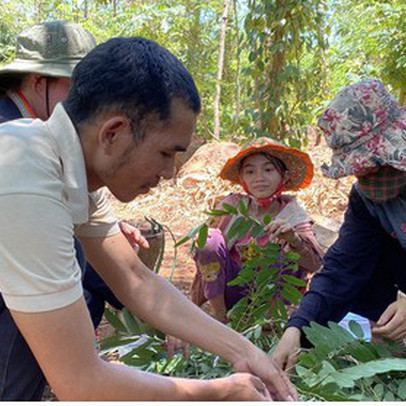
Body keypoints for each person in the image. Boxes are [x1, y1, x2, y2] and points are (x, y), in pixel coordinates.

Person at [0, 36, 298, 401]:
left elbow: (136, 279)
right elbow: (80, 382)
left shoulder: (66, 165)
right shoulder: (24, 178)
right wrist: (217, 393)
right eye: (165, 152)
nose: (171, 172)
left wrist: (245, 352)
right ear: (114, 133)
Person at [0, 21, 149, 401]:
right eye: (79, 89)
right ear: (38, 82)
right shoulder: (18, 144)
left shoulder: (58, 145)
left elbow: (131, 273)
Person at [272, 78, 406, 371]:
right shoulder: (367, 201)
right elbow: (343, 266)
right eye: (360, 172)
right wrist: (298, 327)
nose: (367, 179)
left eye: (374, 165)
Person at [190, 137, 323, 322]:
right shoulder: (232, 206)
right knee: (209, 239)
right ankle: (219, 316)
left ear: (284, 177)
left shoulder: (294, 215)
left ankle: (269, 319)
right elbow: (204, 252)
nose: (259, 178)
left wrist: (293, 240)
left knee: (288, 252)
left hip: (273, 294)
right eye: (250, 172)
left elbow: (315, 264)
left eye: (268, 170)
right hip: (232, 290)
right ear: (243, 179)